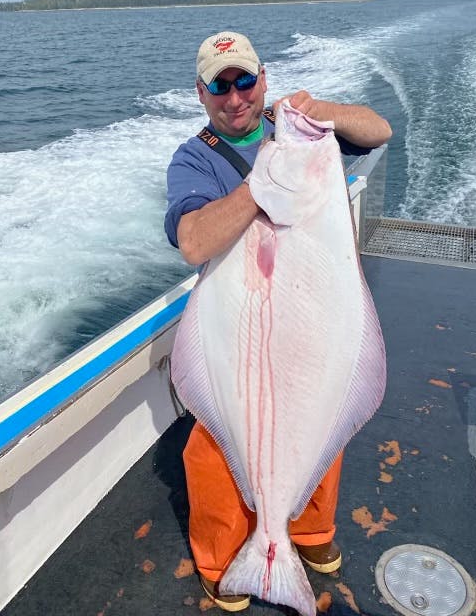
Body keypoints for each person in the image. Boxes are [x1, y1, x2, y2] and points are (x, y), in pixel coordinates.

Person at [165, 30, 392, 611]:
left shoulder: (298, 129)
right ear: (202, 94)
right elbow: (193, 241)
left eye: (245, 80)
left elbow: (377, 130)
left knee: (319, 423)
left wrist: (322, 114)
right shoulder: (196, 157)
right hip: (242, 335)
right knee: (215, 446)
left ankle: (307, 537)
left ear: (263, 78)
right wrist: (261, 185)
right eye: (220, 86)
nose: (235, 97)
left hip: (308, 316)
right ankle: (226, 559)